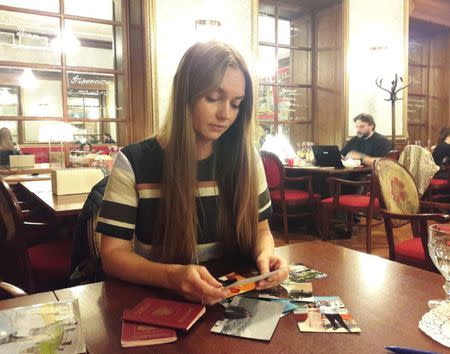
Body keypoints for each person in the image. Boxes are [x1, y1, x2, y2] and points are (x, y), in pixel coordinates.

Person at [97, 41, 288, 305]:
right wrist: (171, 276)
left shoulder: (247, 158)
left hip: (232, 302)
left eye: (236, 104)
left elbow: (261, 231)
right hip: (161, 301)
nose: (225, 114)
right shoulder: (134, 161)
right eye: (213, 98)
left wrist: (266, 254)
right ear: (184, 93)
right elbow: (113, 255)